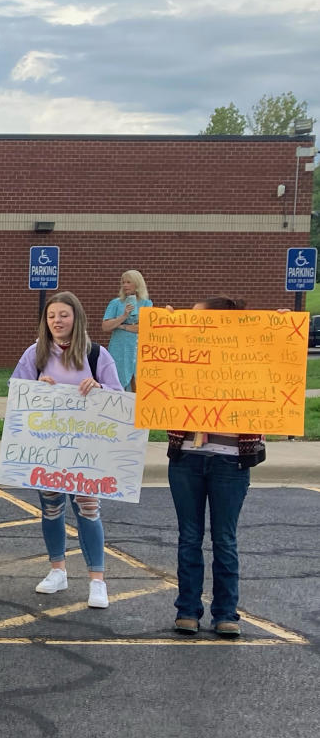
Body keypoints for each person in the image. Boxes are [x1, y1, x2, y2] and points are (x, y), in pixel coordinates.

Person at [11, 290, 122, 609]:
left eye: (63, 315)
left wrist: (99, 389)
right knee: (51, 508)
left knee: (88, 509)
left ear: (76, 318)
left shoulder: (96, 354)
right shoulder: (35, 353)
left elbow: (119, 396)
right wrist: (36, 388)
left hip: (87, 447)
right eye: (51, 316)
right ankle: (57, 570)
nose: (57, 321)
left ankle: (97, 581)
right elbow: (16, 390)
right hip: (47, 446)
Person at [167, 296, 264, 638]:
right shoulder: (184, 355)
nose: (190, 324)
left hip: (231, 459)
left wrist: (283, 330)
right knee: (189, 537)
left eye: (196, 319)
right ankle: (187, 611)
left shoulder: (249, 357)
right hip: (188, 458)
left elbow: (276, 369)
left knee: (224, 539)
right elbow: (158, 375)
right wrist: (163, 329)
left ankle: (225, 613)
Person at [102, 269, 152, 390]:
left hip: (136, 348)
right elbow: (105, 326)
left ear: (137, 284)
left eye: (128, 282)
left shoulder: (146, 304)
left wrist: (121, 326)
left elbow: (144, 328)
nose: (125, 285)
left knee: (136, 382)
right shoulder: (115, 303)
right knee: (117, 378)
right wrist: (124, 316)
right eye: (123, 282)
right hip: (118, 348)